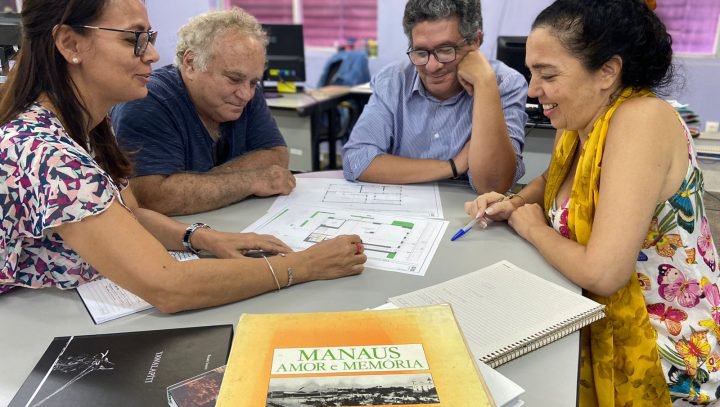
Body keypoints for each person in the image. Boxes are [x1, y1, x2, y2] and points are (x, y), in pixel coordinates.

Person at [0, 0, 366, 312]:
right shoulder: (47, 152)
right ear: (69, 43)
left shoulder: (88, 127)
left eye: (150, 39)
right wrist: (303, 265)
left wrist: (201, 237)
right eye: (135, 39)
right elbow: (169, 287)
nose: (154, 55)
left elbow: (130, 214)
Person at [465, 0, 720, 404]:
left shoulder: (641, 120)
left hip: (661, 350)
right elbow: (554, 181)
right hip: (595, 315)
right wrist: (513, 201)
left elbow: (602, 274)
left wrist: (530, 227)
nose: (533, 90)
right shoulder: (581, 120)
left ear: (607, 71)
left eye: (547, 75)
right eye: (532, 72)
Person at [111, 8, 295, 216]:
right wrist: (251, 179)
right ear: (190, 64)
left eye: (253, 82)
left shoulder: (246, 91)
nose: (246, 94)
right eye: (233, 79)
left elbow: (277, 155)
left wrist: (201, 185)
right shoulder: (147, 101)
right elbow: (154, 197)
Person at [341, 0, 527, 193]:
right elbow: (357, 160)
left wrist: (485, 84)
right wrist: (453, 166)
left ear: (475, 41)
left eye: (446, 50)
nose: (432, 66)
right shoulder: (394, 80)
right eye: (421, 52)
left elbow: (493, 186)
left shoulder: (505, 83)